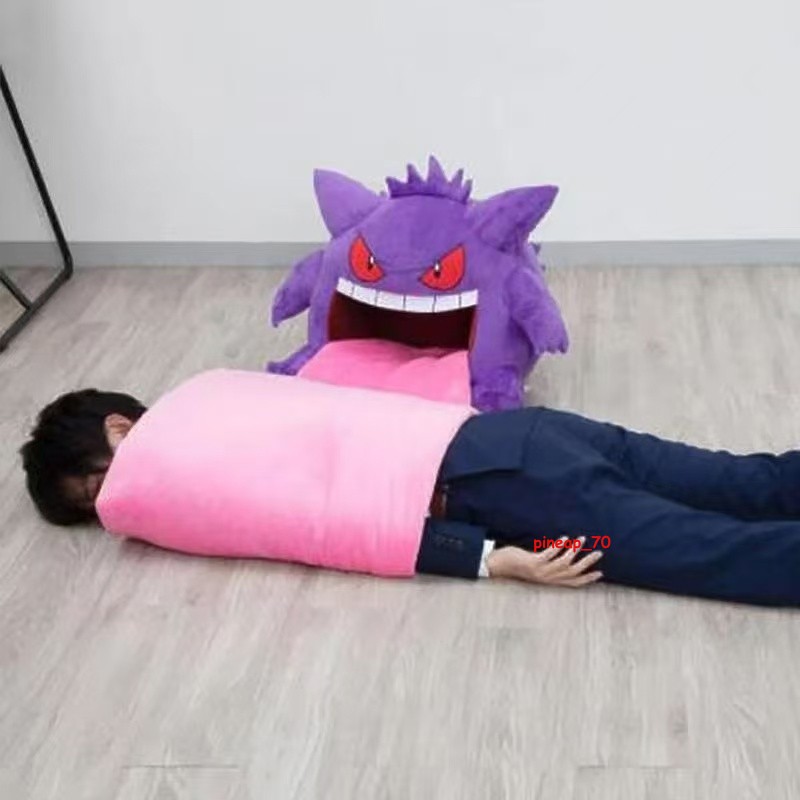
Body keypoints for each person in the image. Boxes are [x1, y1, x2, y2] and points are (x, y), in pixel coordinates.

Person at [19, 385, 800, 607]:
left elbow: (330, 525)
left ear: (122, 430)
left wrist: (494, 561)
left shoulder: (185, 462)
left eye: (97, 488)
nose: (110, 509)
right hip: (527, 433)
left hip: (504, 491)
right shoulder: (217, 393)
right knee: (744, 480)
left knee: (706, 550)